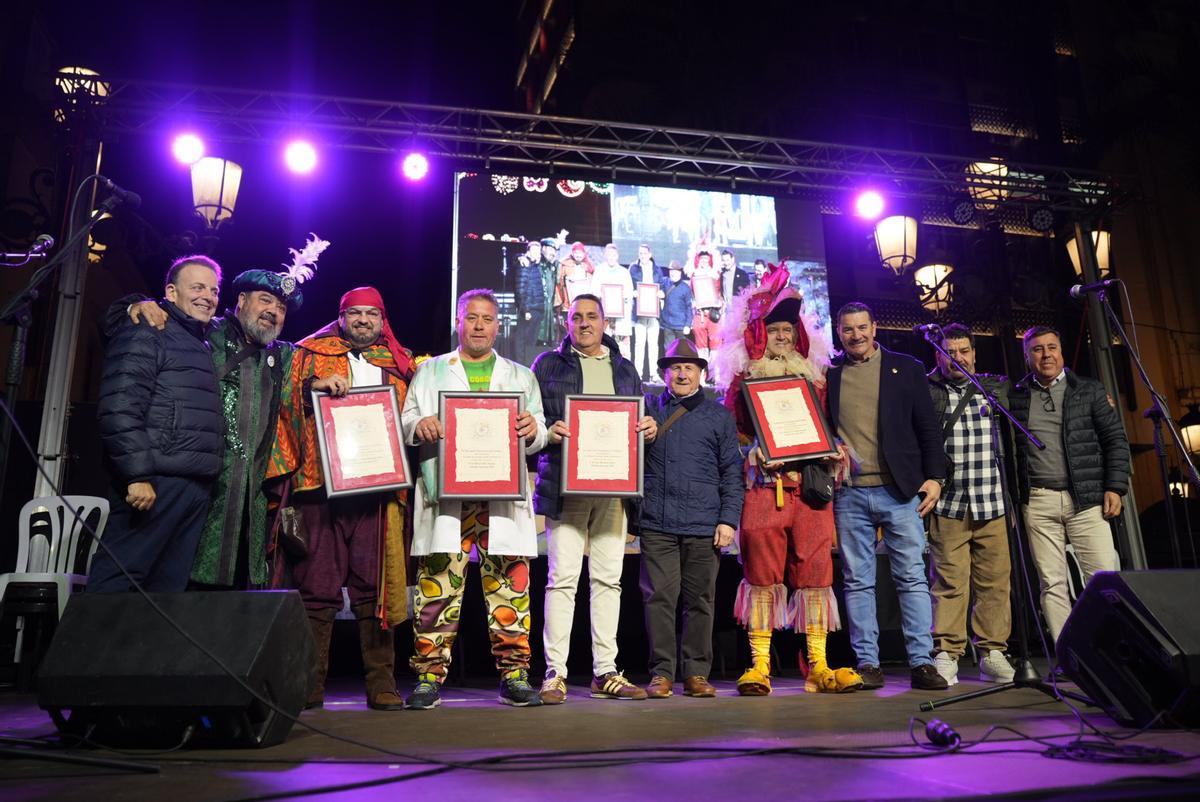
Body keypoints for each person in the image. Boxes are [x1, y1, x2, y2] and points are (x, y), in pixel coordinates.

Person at [117, 235, 333, 591]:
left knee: (237, 587)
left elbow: (319, 355)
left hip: (252, 491)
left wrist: (317, 386)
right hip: (198, 481)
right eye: (265, 300)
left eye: (281, 307)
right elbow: (162, 316)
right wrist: (133, 304)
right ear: (242, 300)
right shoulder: (205, 332)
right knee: (170, 580)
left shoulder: (285, 356)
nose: (273, 311)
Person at [712, 267, 862, 695]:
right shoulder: (744, 380)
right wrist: (749, 452)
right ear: (760, 333)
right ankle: (759, 664)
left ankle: (819, 665)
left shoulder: (815, 378)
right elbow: (734, 436)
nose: (782, 336)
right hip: (765, 489)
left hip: (811, 489)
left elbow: (828, 427)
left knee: (816, 571)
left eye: (788, 329)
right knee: (761, 572)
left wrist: (837, 449)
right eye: (774, 329)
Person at [268, 286, 414, 711]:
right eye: (356, 314)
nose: (364, 321)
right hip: (320, 488)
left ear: (382, 319)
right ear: (341, 317)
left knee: (375, 590)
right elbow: (281, 399)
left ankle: (382, 683)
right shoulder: (309, 355)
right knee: (317, 588)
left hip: (377, 493)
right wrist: (312, 386)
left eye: (372, 314)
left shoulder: (401, 363)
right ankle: (310, 684)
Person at [401, 288, 548, 709]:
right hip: (447, 498)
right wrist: (422, 424)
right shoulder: (430, 372)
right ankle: (428, 677)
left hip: (500, 499)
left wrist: (530, 430)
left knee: (510, 589)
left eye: (487, 318)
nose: (479, 325)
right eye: (471, 318)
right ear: (458, 322)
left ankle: (515, 675)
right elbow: (408, 418)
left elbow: (537, 429)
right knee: (436, 589)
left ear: (497, 325)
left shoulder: (521, 376)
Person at [532, 294, 657, 704]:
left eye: (592, 317)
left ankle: (606, 671)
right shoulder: (547, 365)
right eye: (576, 317)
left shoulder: (624, 368)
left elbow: (635, 420)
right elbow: (536, 423)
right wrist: (552, 431)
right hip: (565, 487)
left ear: (605, 322)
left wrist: (647, 429)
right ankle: (555, 672)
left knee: (609, 580)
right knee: (562, 579)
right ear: (565, 322)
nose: (584, 324)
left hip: (614, 489)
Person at [826, 302, 949, 691]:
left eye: (863, 327)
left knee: (912, 577)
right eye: (848, 329)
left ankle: (922, 663)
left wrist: (935, 478)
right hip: (849, 494)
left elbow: (928, 428)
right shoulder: (828, 374)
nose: (856, 335)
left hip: (901, 490)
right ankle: (867, 663)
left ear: (875, 326)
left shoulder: (907, 368)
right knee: (857, 581)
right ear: (839, 332)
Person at [89, 256, 224, 593]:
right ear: (171, 291)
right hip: (156, 481)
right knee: (118, 581)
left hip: (193, 486)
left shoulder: (201, 341)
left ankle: (145, 649)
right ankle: (86, 648)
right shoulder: (148, 329)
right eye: (197, 287)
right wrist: (137, 475)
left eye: (214, 289)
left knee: (166, 592)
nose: (208, 296)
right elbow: (119, 406)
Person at [638, 338, 743, 698]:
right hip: (657, 522)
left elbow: (732, 471)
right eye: (675, 368)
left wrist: (728, 520)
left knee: (700, 601)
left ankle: (696, 673)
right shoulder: (647, 411)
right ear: (665, 373)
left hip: (703, 524)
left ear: (701, 373)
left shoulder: (719, 416)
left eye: (689, 367)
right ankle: (662, 673)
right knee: (660, 600)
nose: (682, 373)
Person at [1010, 325, 1130, 641]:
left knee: (1103, 580)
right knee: (1052, 583)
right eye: (1037, 349)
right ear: (1026, 356)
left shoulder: (1089, 391)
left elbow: (1115, 440)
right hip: (1038, 501)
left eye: (1052, 347)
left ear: (1061, 351)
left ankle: (1110, 649)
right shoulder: (1016, 397)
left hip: (1087, 500)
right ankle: (1069, 652)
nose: (1046, 354)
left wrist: (1115, 487)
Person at [925, 323, 1015, 686]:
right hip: (949, 503)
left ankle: (992, 652)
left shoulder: (995, 389)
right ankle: (947, 652)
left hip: (992, 501)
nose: (957, 358)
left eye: (964, 351)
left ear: (974, 354)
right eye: (950, 352)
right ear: (938, 355)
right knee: (949, 582)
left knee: (995, 583)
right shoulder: (928, 391)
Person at [629, 244, 666, 382]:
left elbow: (662, 286)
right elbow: (629, 285)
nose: (642, 256)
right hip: (639, 313)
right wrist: (632, 292)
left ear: (650, 254)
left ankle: (653, 374)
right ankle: (637, 374)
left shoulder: (657, 270)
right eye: (640, 253)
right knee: (639, 344)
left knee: (653, 344)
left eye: (645, 253)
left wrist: (661, 293)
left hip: (653, 312)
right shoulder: (633, 268)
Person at [591, 243, 635, 360]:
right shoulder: (599, 270)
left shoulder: (624, 272)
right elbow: (594, 291)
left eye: (613, 255)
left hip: (621, 317)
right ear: (605, 255)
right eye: (609, 255)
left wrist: (620, 298)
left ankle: (624, 371)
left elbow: (629, 293)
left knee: (622, 347)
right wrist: (602, 296)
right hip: (604, 314)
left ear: (617, 256)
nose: (611, 257)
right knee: (604, 342)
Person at [514, 239, 546, 366]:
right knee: (523, 339)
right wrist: (525, 310)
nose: (537, 254)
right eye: (534, 251)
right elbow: (520, 290)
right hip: (529, 309)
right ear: (528, 252)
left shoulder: (535, 266)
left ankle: (528, 365)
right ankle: (521, 364)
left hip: (537, 308)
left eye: (538, 252)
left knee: (531, 340)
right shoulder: (524, 265)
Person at [689, 250, 723, 364]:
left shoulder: (716, 275)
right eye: (702, 259)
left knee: (716, 345)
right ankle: (702, 376)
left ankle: (716, 376)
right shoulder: (695, 275)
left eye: (706, 259)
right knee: (700, 346)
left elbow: (720, 292)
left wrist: (719, 303)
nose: (704, 261)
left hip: (713, 314)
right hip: (700, 314)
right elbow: (692, 293)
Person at [660, 260, 693, 347]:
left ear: (679, 272)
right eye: (671, 271)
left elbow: (689, 308)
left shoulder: (685, 288)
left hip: (680, 326)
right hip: (668, 325)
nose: (672, 273)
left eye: (675, 271)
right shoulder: (665, 282)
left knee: (680, 351)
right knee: (669, 351)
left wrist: (688, 325)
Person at [538, 237, 562, 346]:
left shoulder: (554, 265)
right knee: (538, 331)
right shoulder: (537, 262)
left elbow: (557, 281)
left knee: (549, 333)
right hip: (538, 304)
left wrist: (556, 265)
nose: (553, 253)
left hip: (550, 304)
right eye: (550, 249)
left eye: (554, 251)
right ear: (543, 248)